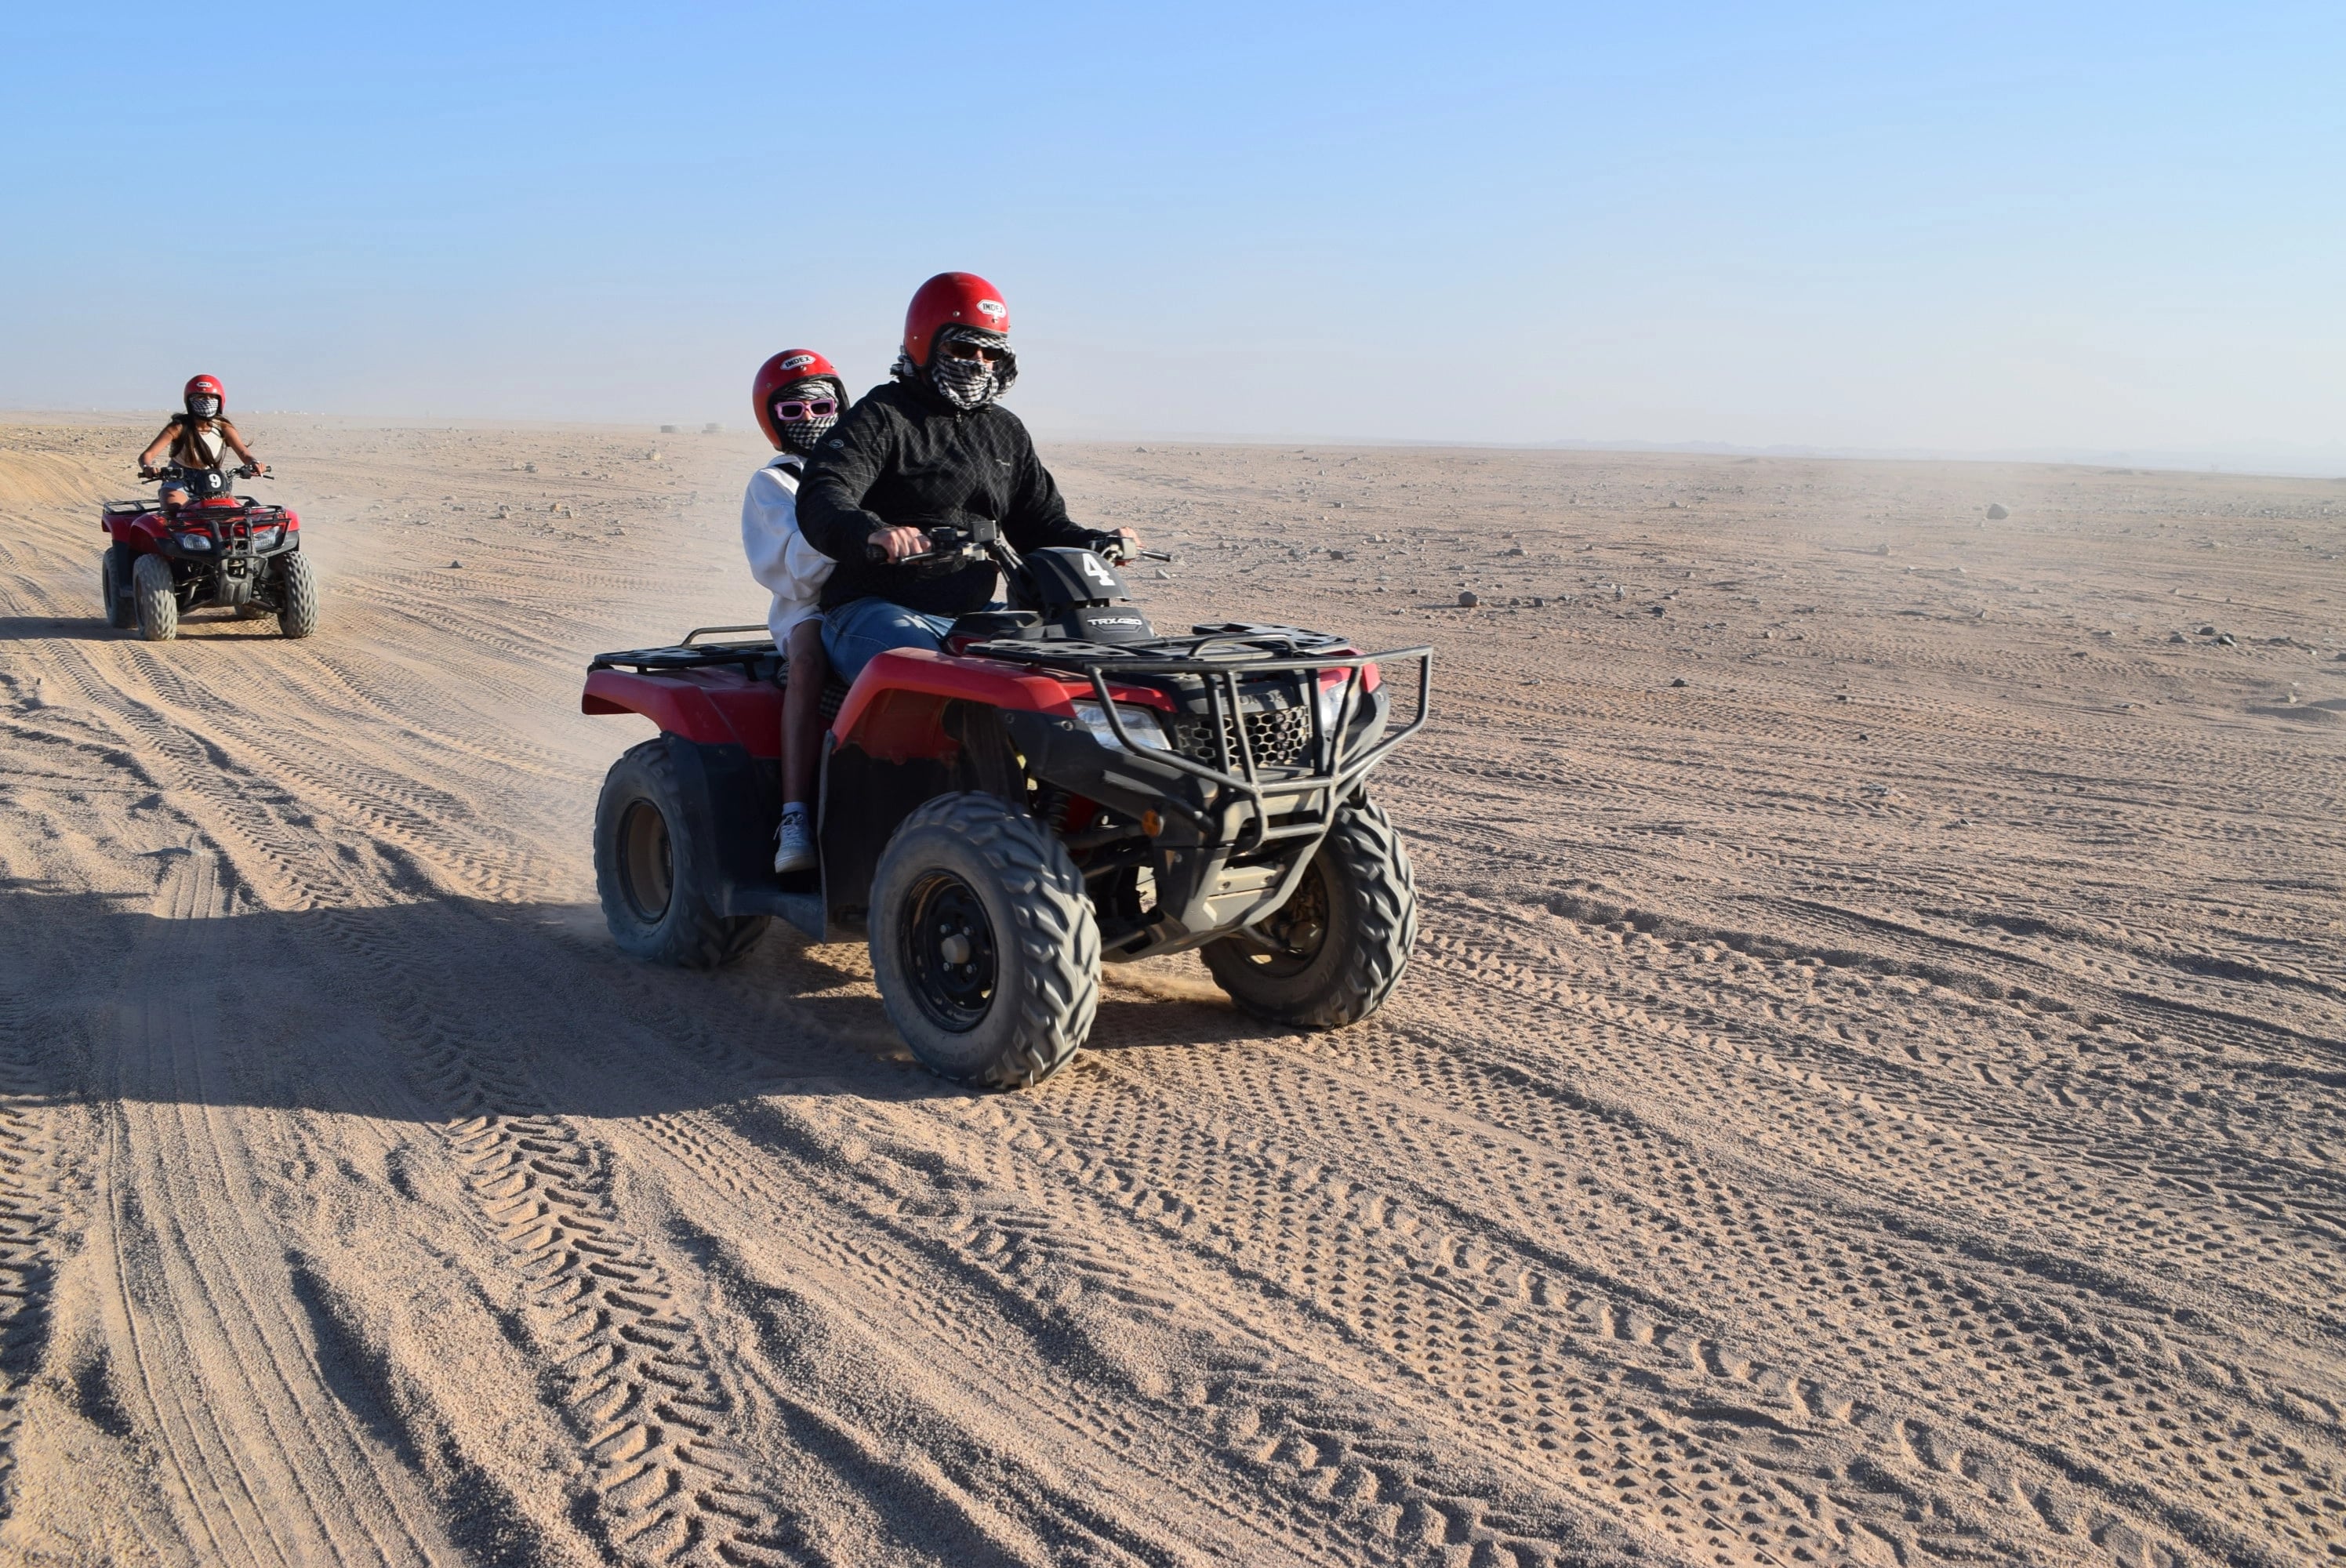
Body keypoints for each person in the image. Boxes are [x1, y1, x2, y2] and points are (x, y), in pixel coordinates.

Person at [796, 272, 1137, 682]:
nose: (977, 362)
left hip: (970, 615)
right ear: (924, 342)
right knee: (934, 682)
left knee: (1070, 670)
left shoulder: (1004, 430)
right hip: (874, 608)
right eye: (961, 347)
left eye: (989, 353)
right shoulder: (884, 415)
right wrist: (874, 532)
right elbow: (825, 489)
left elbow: (1040, 524)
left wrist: (1094, 544)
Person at [741, 349, 849, 874]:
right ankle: (795, 815)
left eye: (821, 405)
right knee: (807, 664)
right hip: (809, 607)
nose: (810, 419)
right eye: (793, 411)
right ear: (772, 419)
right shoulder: (775, 483)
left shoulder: (869, 470)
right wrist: (854, 539)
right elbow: (796, 572)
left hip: (881, 596)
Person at [138, 375, 264, 506]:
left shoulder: (224, 427)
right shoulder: (178, 427)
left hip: (213, 483)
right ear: (189, 401)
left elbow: (244, 453)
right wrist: (148, 467)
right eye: (200, 397)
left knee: (236, 513)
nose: (207, 401)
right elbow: (147, 455)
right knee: (174, 512)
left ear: (220, 401)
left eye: (212, 398)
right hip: (178, 481)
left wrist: (254, 463)